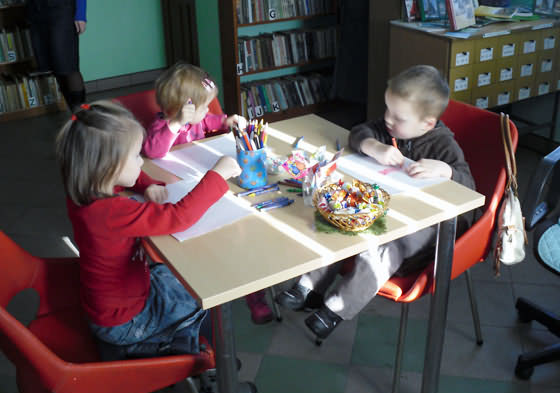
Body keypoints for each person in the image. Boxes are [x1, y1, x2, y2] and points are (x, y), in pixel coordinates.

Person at [276, 65, 476, 340]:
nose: (388, 120)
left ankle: (337, 308)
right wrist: (373, 146)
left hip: (427, 231)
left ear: (427, 124)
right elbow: (359, 132)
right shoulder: (388, 127)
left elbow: (470, 187)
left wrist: (447, 171)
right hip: (388, 209)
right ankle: (309, 287)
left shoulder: (443, 144)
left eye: (398, 117)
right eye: (387, 110)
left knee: (385, 246)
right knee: (344, 217)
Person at [55, 100, 241, 360]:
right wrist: (217, 176)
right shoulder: (110, 212)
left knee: (178, 276)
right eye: (135, 156)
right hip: (125, 321)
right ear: (108, 166)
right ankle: (202, 360)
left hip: (115, 299)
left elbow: (125, 177)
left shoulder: (88, 190)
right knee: (203, 295)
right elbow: (178, 217)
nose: (141, 163)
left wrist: (147, 186)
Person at [142, 63, 274, 325]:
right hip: (183, 193)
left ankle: (253, 292)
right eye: (204, 107)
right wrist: (177, 123)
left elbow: (208, 121)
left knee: (239, 231)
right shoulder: (162, 126)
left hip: (206, 183)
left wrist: (224, 121)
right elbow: (154, 151)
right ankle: (210, 285)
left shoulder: (198, 118)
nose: (207, 112)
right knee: (208, 242)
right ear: (184, 109)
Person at [27, 0, 87, 111]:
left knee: (68, 66)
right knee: (56, 68)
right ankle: (75, 114)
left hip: (61, 9)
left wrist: (81, 14)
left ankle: (82, 115)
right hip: (36, 10)